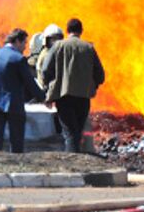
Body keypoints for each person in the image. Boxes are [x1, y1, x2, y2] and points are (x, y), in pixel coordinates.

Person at [42, 18, 105, 153]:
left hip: (64, 97)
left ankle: (71, 165)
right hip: (83, 97)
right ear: (81, 31)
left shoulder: (58, 46)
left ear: (67, 31)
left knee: (70, 133)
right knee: (77, 131)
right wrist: (93, 86)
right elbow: (100, 74)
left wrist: (48, 88)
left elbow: (46, 70)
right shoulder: (88, 47)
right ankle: (76, 162)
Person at [0, 28, 45, 153]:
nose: (25, 47)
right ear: (17, 41)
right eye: (24, 43)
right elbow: (30, 82)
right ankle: (15, 164)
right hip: (13, 104)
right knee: (16, 139)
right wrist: (43, 98)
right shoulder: (18, 58)